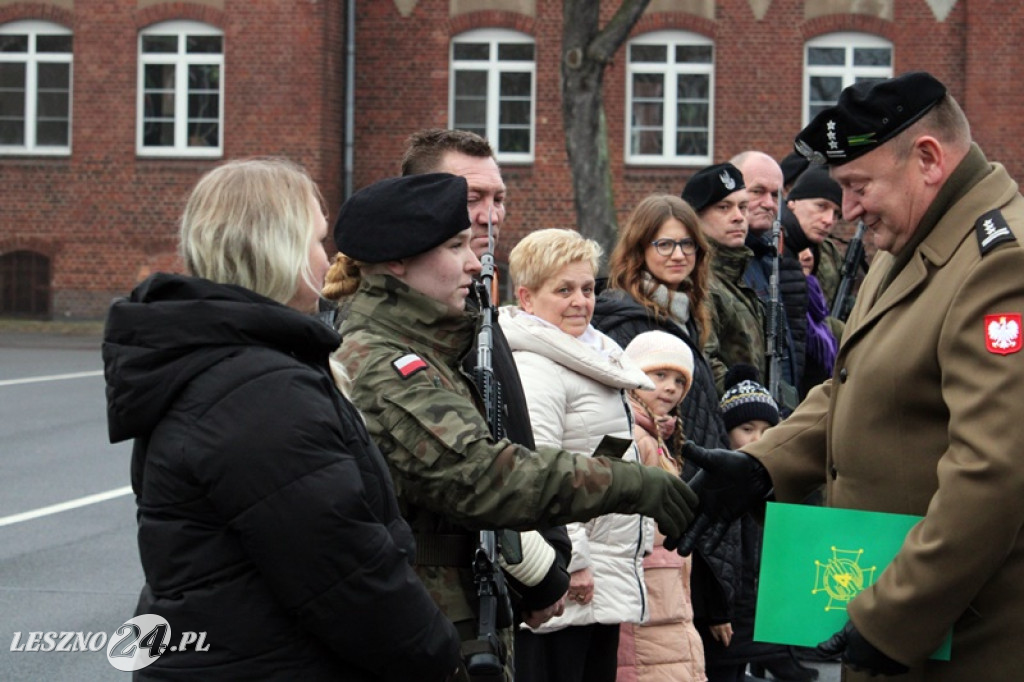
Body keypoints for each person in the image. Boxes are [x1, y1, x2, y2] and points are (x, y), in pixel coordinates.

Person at [682, 71, 1024, 681]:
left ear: (927, 160)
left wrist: (895, 615)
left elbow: (994, 472)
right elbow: (856, 382)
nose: (848, 209)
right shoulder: (915, 242)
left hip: (960, 638)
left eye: (859, 185)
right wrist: (766, 463)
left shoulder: (999, 266)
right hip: (904, 622)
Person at [328, 172, 699, 681]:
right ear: (396, 263)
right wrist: (628, 484)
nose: (472, 261)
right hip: (425, 624)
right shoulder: (381, 361)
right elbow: (482, 475)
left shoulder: (436, 346)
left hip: (458, 611)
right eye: (454, 246)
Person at [101, 158, 462, 681]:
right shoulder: (259, 390)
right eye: (317, 241)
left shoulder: (233, 364)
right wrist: (435, 651)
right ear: (278, 248)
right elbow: (343, 575)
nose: (327, 259)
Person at [324, 129, 574, 635]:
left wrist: (548, 562)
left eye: (498, 198)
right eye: (471, 198)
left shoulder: (472, 306)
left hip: (501, 580)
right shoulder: (389, 331)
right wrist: (538, 573)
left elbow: (511, 432)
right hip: (437, 601)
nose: (489, 214)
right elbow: (470, 472)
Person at [498, 228, 652, 682]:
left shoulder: (594, 355)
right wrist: (574, 561)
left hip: (601, 568)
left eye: (587, 289)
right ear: (526, 298)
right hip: (569, 577)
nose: (580, 301)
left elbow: (601, 457)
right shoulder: (535, 366)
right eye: (563, 290)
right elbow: (537, 473)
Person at [701, 366, 817, 682]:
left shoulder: (770, 485)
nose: (758, 440)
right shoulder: (717, 485)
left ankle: (777, 652)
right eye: (747, 429)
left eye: (768, 431)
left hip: (752, 607)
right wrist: (716, 610)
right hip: (723, 609)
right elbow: (717, 557)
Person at [617, 330, 707, 682]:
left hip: (663, 577)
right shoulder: (628, 434)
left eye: (678, 380)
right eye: (659, 375)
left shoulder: (656, 434)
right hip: (647, 576)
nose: (670, 387)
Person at [681, 162, 766, 393]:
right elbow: (705, 362)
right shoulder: (696, 281)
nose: (738, 217)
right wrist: (749, 401)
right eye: (723, 207)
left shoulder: (735, 277)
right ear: (696, 217)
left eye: (743, 207)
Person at [730, 151, 800, 413]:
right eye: (757, 191)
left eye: (775, 194)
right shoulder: (718, 262)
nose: (769, 203)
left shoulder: (767, 259)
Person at [779, 165, 843, 396]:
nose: (829, 220)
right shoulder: (778, 249)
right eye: (821, 206)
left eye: (836, 213)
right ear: (792, 202)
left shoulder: (811, 249)